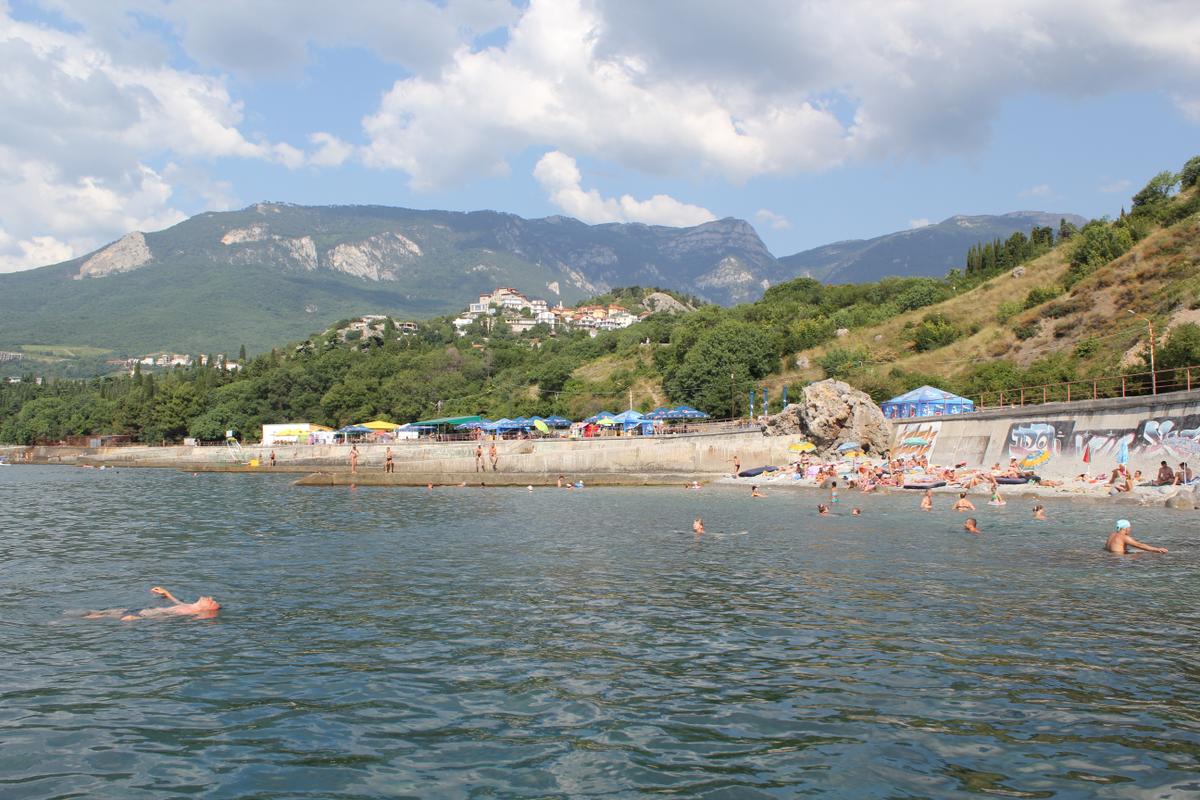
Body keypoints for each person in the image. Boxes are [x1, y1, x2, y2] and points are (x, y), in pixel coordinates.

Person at [86, 586, 221, 622]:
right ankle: (92, 614)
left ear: (205, 609)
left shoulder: (191, 612)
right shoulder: (190, 606)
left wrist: (136, 619)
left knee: (109, 615)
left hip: (146, 614)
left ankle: (89, 617)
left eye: (211, 601)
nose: (210, 598)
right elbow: (177, 602)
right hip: (145, 610)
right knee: (110, 612)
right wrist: (166, 593)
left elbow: (167, 615)